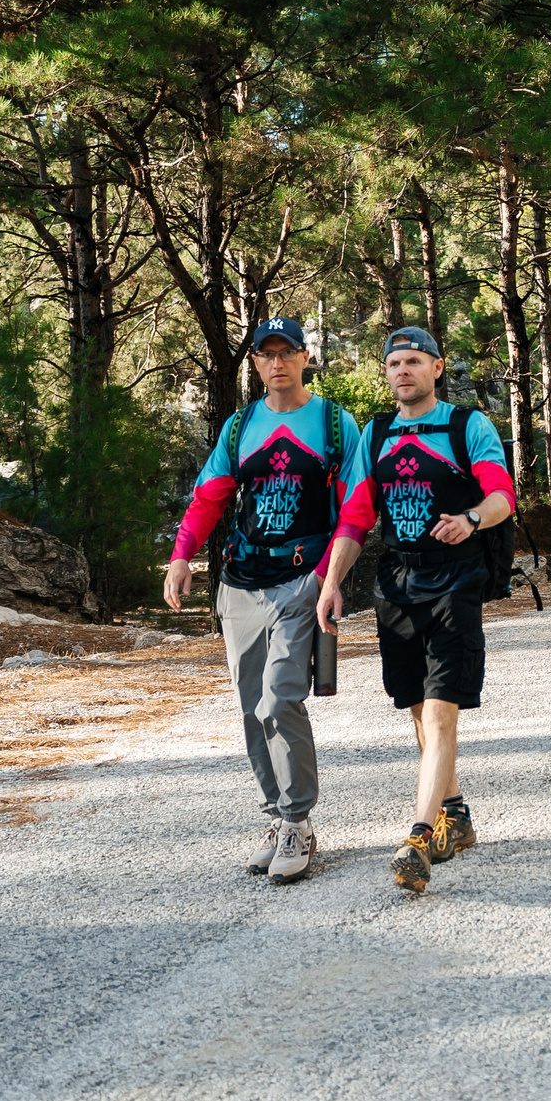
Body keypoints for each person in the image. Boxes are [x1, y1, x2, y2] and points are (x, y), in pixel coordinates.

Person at [164, 318, 365, 885]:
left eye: (287, 352)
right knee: (252, 708)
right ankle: (277, 818)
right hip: (240, 585)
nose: (276, 362)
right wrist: (182, 557)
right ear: (254, 363)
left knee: (280, 699)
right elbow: (208, 498)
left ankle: (299, 820)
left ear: (305, 358)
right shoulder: (239, 428)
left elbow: (355, 504)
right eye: (265, 354)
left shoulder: (332, 423)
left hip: (302, 583)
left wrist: (330, 577)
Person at [318, 325, 517, 894]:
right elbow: (356, 517)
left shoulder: (466, 425)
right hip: (397, 584)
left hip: (456, 581)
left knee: (439, 714)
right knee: (415, 708)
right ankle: (456, 815)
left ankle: (418, 837)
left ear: (437, 367)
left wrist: (471, 518)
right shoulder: (376, 434)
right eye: (394, 363)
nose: (402, 371)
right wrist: (332, 583)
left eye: (413, 361)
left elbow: (502, 495)